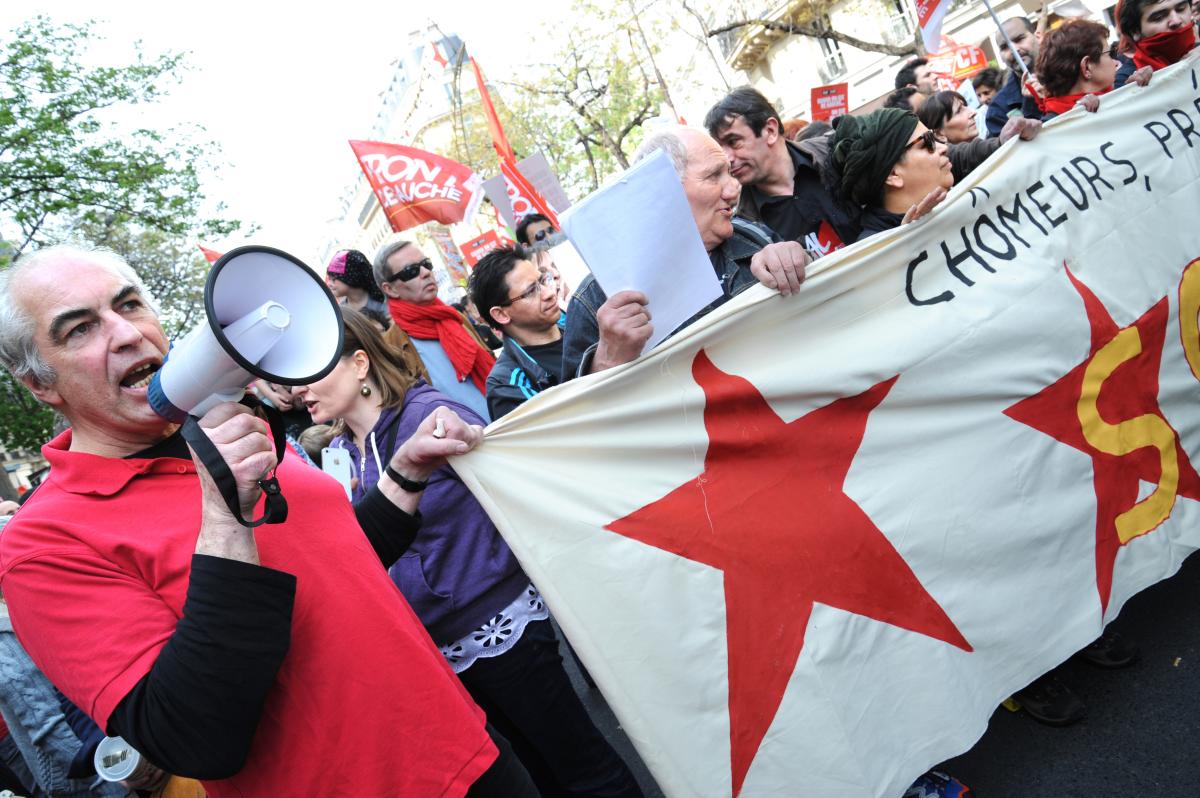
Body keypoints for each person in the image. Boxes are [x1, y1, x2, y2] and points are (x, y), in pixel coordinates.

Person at [0, 245, 539, 797]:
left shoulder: (222, 432)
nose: (126, 333)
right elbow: (194, 738)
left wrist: (404, 471)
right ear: (38, 382)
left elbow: (341, 564)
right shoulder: (40, 546)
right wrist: (226, 521)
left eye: (130, 305)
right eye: (80, 329)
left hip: (469, 752)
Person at [294, 308, 643, 798]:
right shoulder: (344, 450)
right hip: (441, 650)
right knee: (539, 777)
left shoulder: (427, 414)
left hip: (501, 627)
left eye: (310, 374)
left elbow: (509, 486)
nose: (297, 390)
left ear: (358, 363)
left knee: (583, 768)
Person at [561, 126, 812, 379]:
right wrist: (606, 360)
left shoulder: (753, 236)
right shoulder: (594, 300)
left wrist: (799, 262)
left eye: (729, 173)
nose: (733, 189)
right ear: (662, 189)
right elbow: (573, 413)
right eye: (714, 176)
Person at [705, 87, 859, 254]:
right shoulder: (744, 226)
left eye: (733, 141)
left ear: (770, 131)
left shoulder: (837, 152)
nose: (727, 158)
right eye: (721, 148)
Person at [373, 240, 495, 420]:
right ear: (390, 289)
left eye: (426, 264)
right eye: (411, 271)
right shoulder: (391, 346)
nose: (425, 272)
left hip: (506, 423)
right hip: (460, 443)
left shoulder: (454, 317)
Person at [832, 108, 954, 242]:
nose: (944, 147)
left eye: (934, 136)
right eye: (927, 142)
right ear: (893, 175)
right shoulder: (875, 255)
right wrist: (906, 246)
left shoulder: (956, 200)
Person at [469, 247, 563, 419]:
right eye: (530, 291)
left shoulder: (585, 322)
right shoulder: (507, 386)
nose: (549, 293)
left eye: (542, 281)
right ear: (501, 314)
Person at [1037, 20, 1154, 120]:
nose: (1115, 61)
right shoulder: (1050, 129)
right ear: (1087, 67)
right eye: (1109, 54)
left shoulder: (1120, 91)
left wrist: (1138, 92)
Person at [917, 90, 1042, 182]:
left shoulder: (990, 142)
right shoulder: (948, 177)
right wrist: (1000, 143)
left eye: (965, 106)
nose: (973, 112)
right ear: (939, 134)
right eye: (959, 111)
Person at [986, 17, 1046, 137]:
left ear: (1038, 37)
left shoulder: (1070, 71)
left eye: (1019, 39)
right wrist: (1030, 105)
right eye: (1004, 47)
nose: (1014, 50)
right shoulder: (998, 109)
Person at [1114, 0, 1198, 86]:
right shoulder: (1126, 79)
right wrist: (1134, 92)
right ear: (1135, 31)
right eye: (1159, 17)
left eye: (1181, 9)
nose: (1176, 21)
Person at [325, 249, 387, 316]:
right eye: (329, 279)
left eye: (333, 279)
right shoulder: (342, 312)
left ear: (351, 277)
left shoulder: (383, 299)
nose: (329, 284)